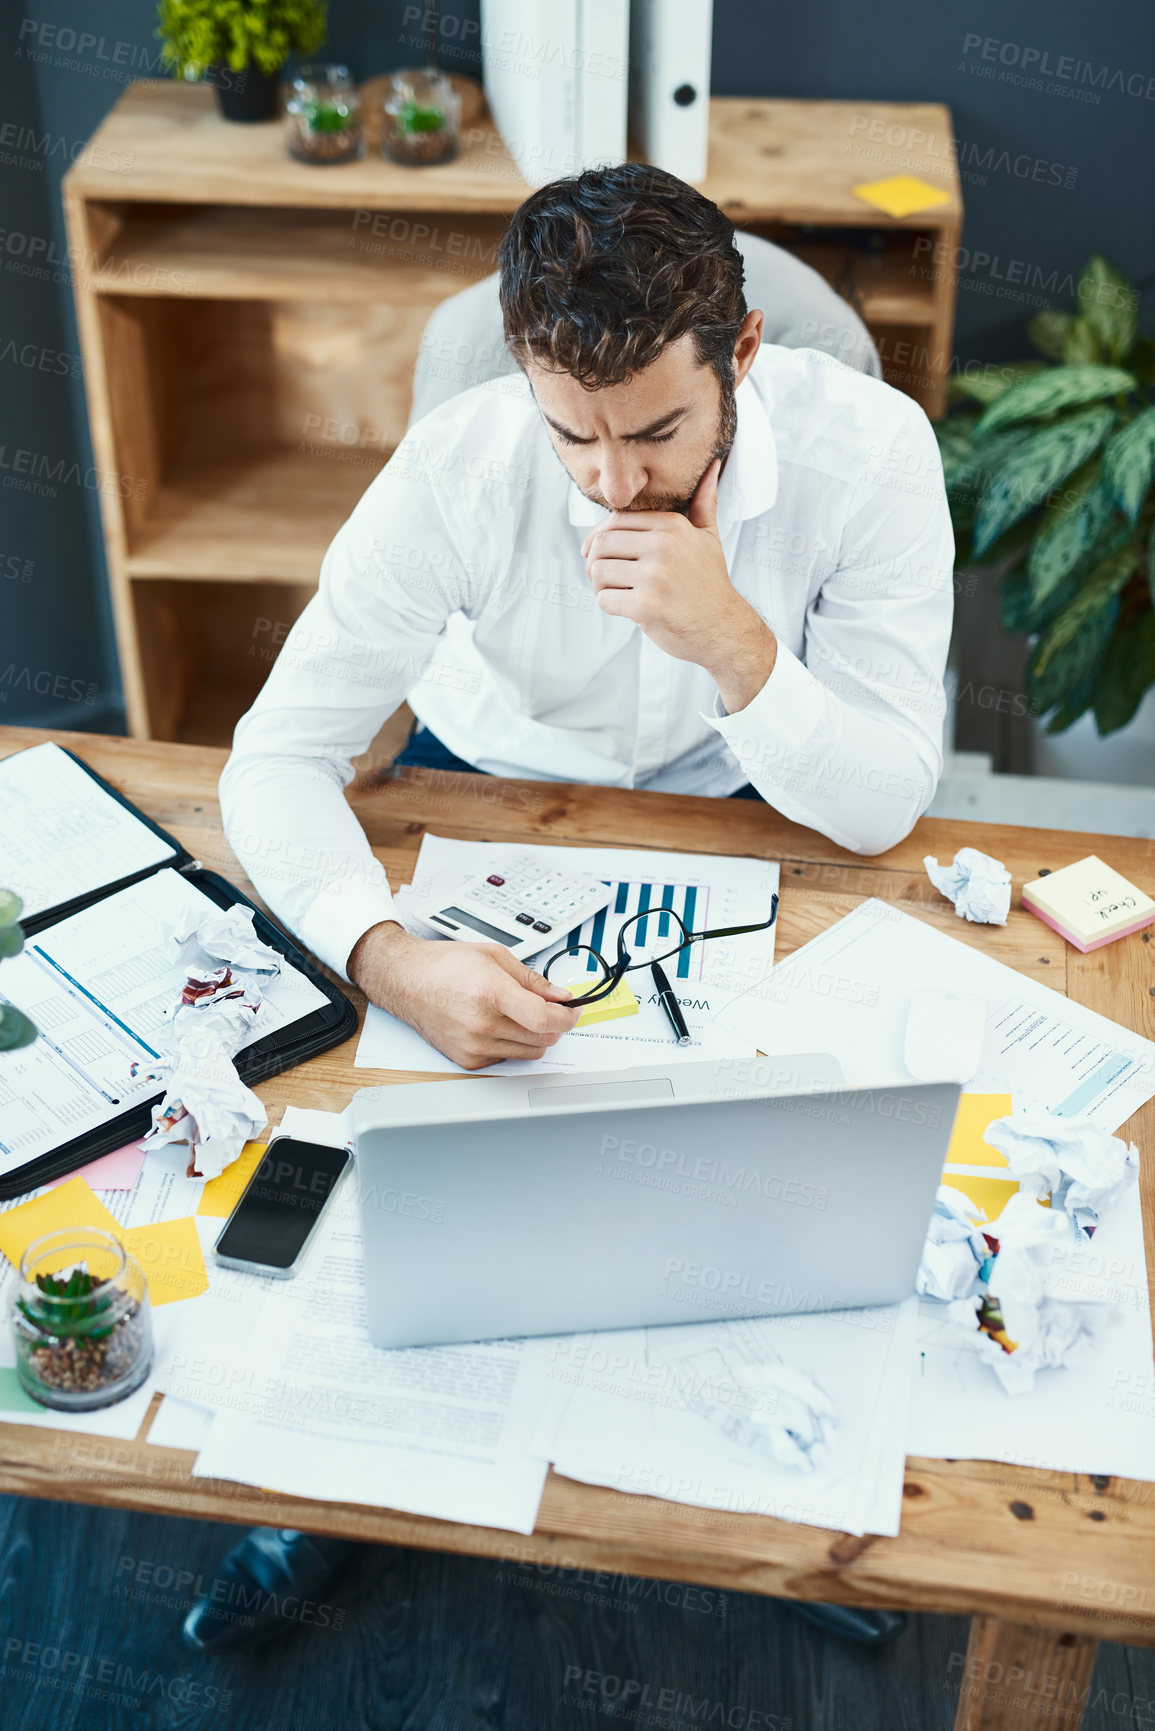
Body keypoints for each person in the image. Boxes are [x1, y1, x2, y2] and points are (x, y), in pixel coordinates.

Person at [189, 163, 949, 1654]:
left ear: (740, 358)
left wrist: (737, 645)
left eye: (656, 432)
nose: (612, 484)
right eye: (574, 437)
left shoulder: (874, 453)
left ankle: (786, 1494)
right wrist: (385, 955)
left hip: (760, 793)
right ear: (528, 383)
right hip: (489, 786)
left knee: (758, 1164)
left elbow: (882, 801)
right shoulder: (460, 468)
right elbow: (270, 757)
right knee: (419, 1155)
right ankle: (334, 1491)